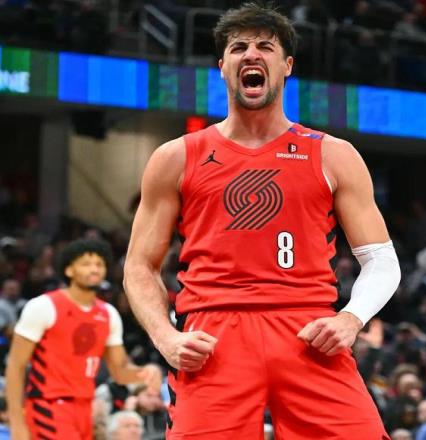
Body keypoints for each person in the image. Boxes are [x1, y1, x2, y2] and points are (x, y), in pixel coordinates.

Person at [123, 3, 401, 439]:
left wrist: (352, 318)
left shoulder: (333, 154)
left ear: (286, 65)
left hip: (308, 331)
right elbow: (139, 266)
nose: (251, 54)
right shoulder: (175, 157)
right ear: (222, 67)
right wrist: (166, 337)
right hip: (214, 336)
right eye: (238, 47)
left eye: (265, 46)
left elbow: (382, 260)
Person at [6, 239, 162, 440]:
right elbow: (15, 367)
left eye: (99, 264)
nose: (94, 269)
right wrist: (17, 423)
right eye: (86, 264)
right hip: (49, 405)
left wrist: (145, 373)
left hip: (86, 408)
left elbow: (120, 371)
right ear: (69, 270)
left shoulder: (109, 314)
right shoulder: (43, 306)